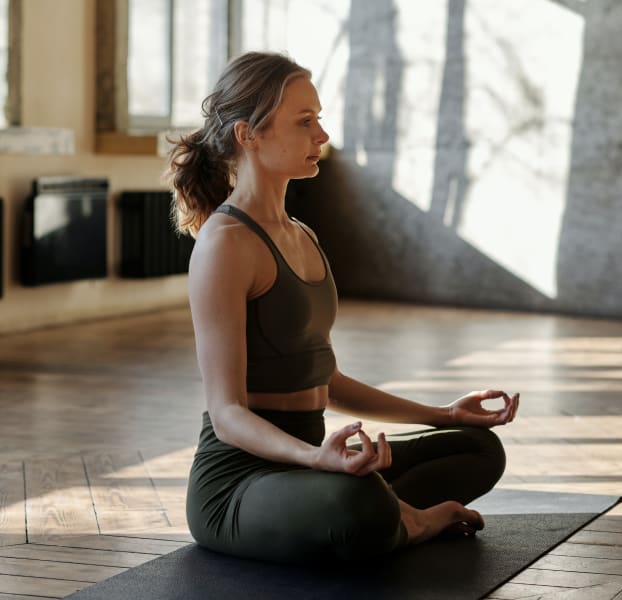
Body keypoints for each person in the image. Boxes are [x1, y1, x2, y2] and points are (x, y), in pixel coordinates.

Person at [165, 51, 519, 565]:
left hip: (312, 466)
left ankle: (386, 513)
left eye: (319, 119)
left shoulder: (301, 235)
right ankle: (407, 521)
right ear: (249, 135)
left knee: (477, 448)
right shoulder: (225, 244)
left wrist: (444, 413)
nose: (322, 135)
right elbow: (227, 415)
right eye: (305, 121)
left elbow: (323, 381)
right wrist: (315, 458)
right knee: (359, 503)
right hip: (240, 484)